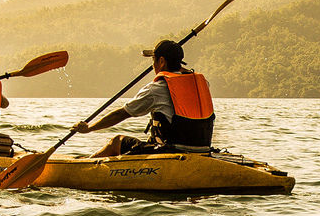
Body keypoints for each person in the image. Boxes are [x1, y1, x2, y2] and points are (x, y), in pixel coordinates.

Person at [73, 38, 214, 157]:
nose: (153, 65)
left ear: (162, 61)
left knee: (117, 142)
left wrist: (89, 128)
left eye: (153, 60)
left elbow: (121, 114)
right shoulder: (202, 84)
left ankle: (83, 166)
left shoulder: (156, 89)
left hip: (171, 152)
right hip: (203, 150)